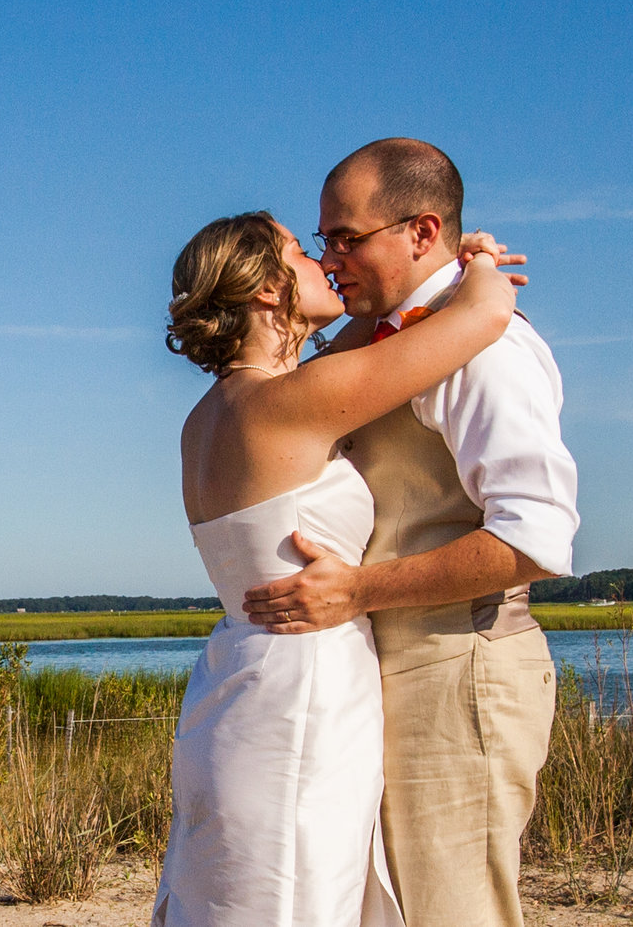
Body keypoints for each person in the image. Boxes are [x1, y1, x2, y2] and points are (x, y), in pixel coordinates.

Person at [151, 209, 525, 927]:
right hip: (304, 689)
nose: (328, 258)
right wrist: (472, 265)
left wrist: (432, 286)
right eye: (302, 249)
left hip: (237, 681)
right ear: (267, 288)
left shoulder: (215, 414)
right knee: (297, 895)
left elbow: (377, 334)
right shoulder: (294, 402)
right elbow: (482, 318)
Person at [242, 139, 579, 927]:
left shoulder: (485, 352)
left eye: (345, 237)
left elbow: (535, 538)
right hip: (387, 677)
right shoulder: (408, 334)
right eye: (322, 240)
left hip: (460, 669)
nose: (330, 258)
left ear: (422, 233)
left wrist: (356, 589)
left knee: (451, 909)